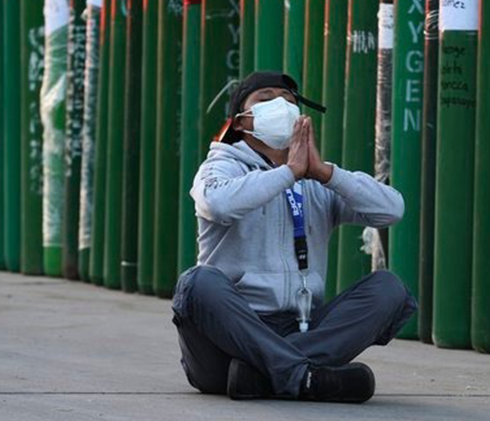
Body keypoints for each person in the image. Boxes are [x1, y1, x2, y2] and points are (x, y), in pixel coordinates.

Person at [171, 71, 416, 403]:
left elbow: (392, 210)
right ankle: (303, 374)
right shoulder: (221, 167)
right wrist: (288, 174)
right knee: (196, 283)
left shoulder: (317, 179)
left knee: (389, 289)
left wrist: (326, 174)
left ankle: (270, 374)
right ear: (242, 121)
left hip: (297, 327)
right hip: (225, 340)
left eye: (288, 100)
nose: (279, 105)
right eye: (265, 98)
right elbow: (217, 204)